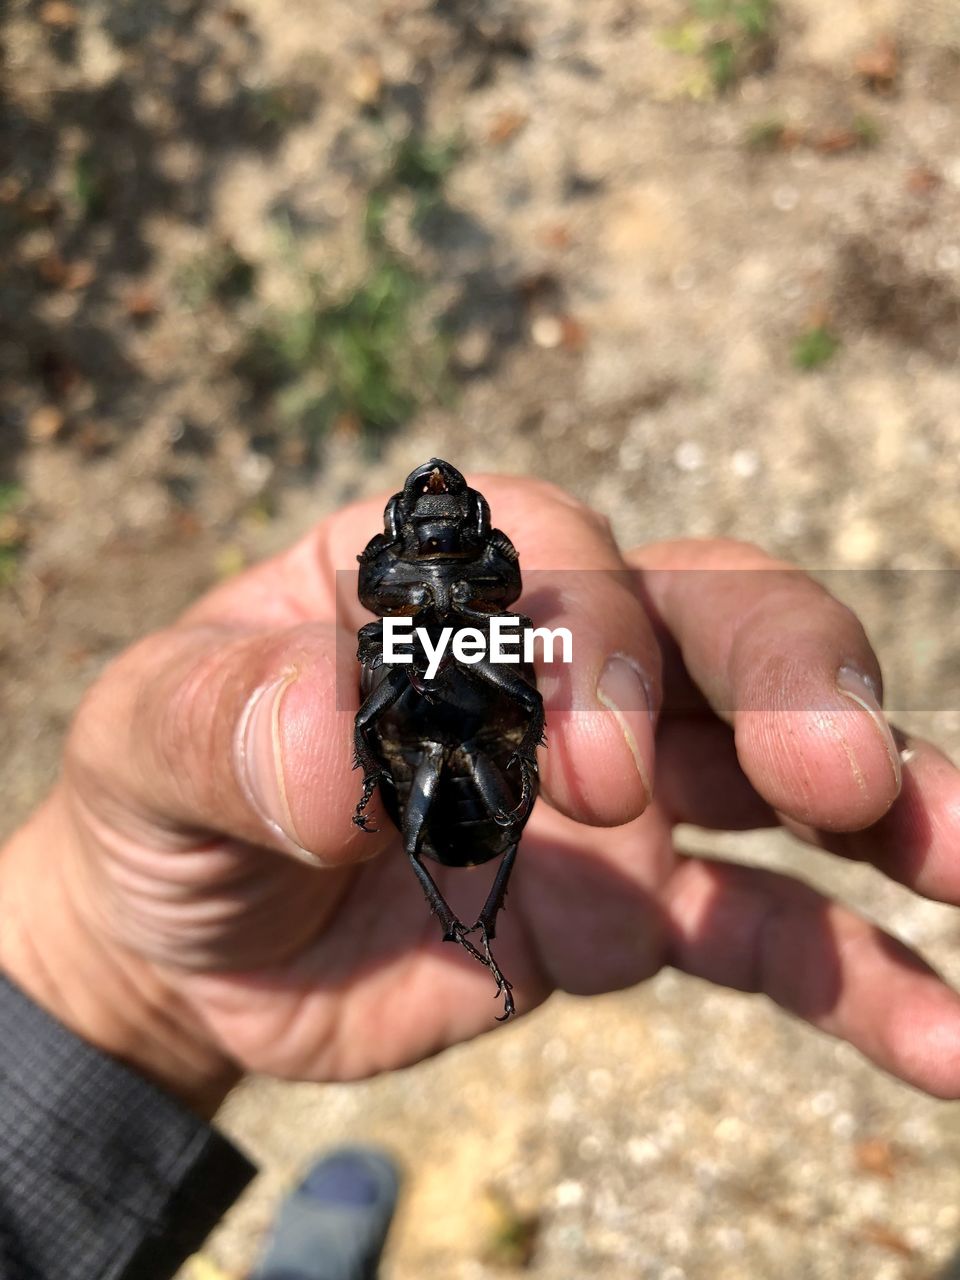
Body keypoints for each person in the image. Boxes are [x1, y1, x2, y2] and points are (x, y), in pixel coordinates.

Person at [1, 474, 959, 1280]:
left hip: (482, 740)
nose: (434, 510)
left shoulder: (486, 619)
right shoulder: (398, 621)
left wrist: (98, 964)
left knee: (506, 730)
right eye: (420, 524)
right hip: (439, 749)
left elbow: (506, 634)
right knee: (418, 762)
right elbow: (396, 640)